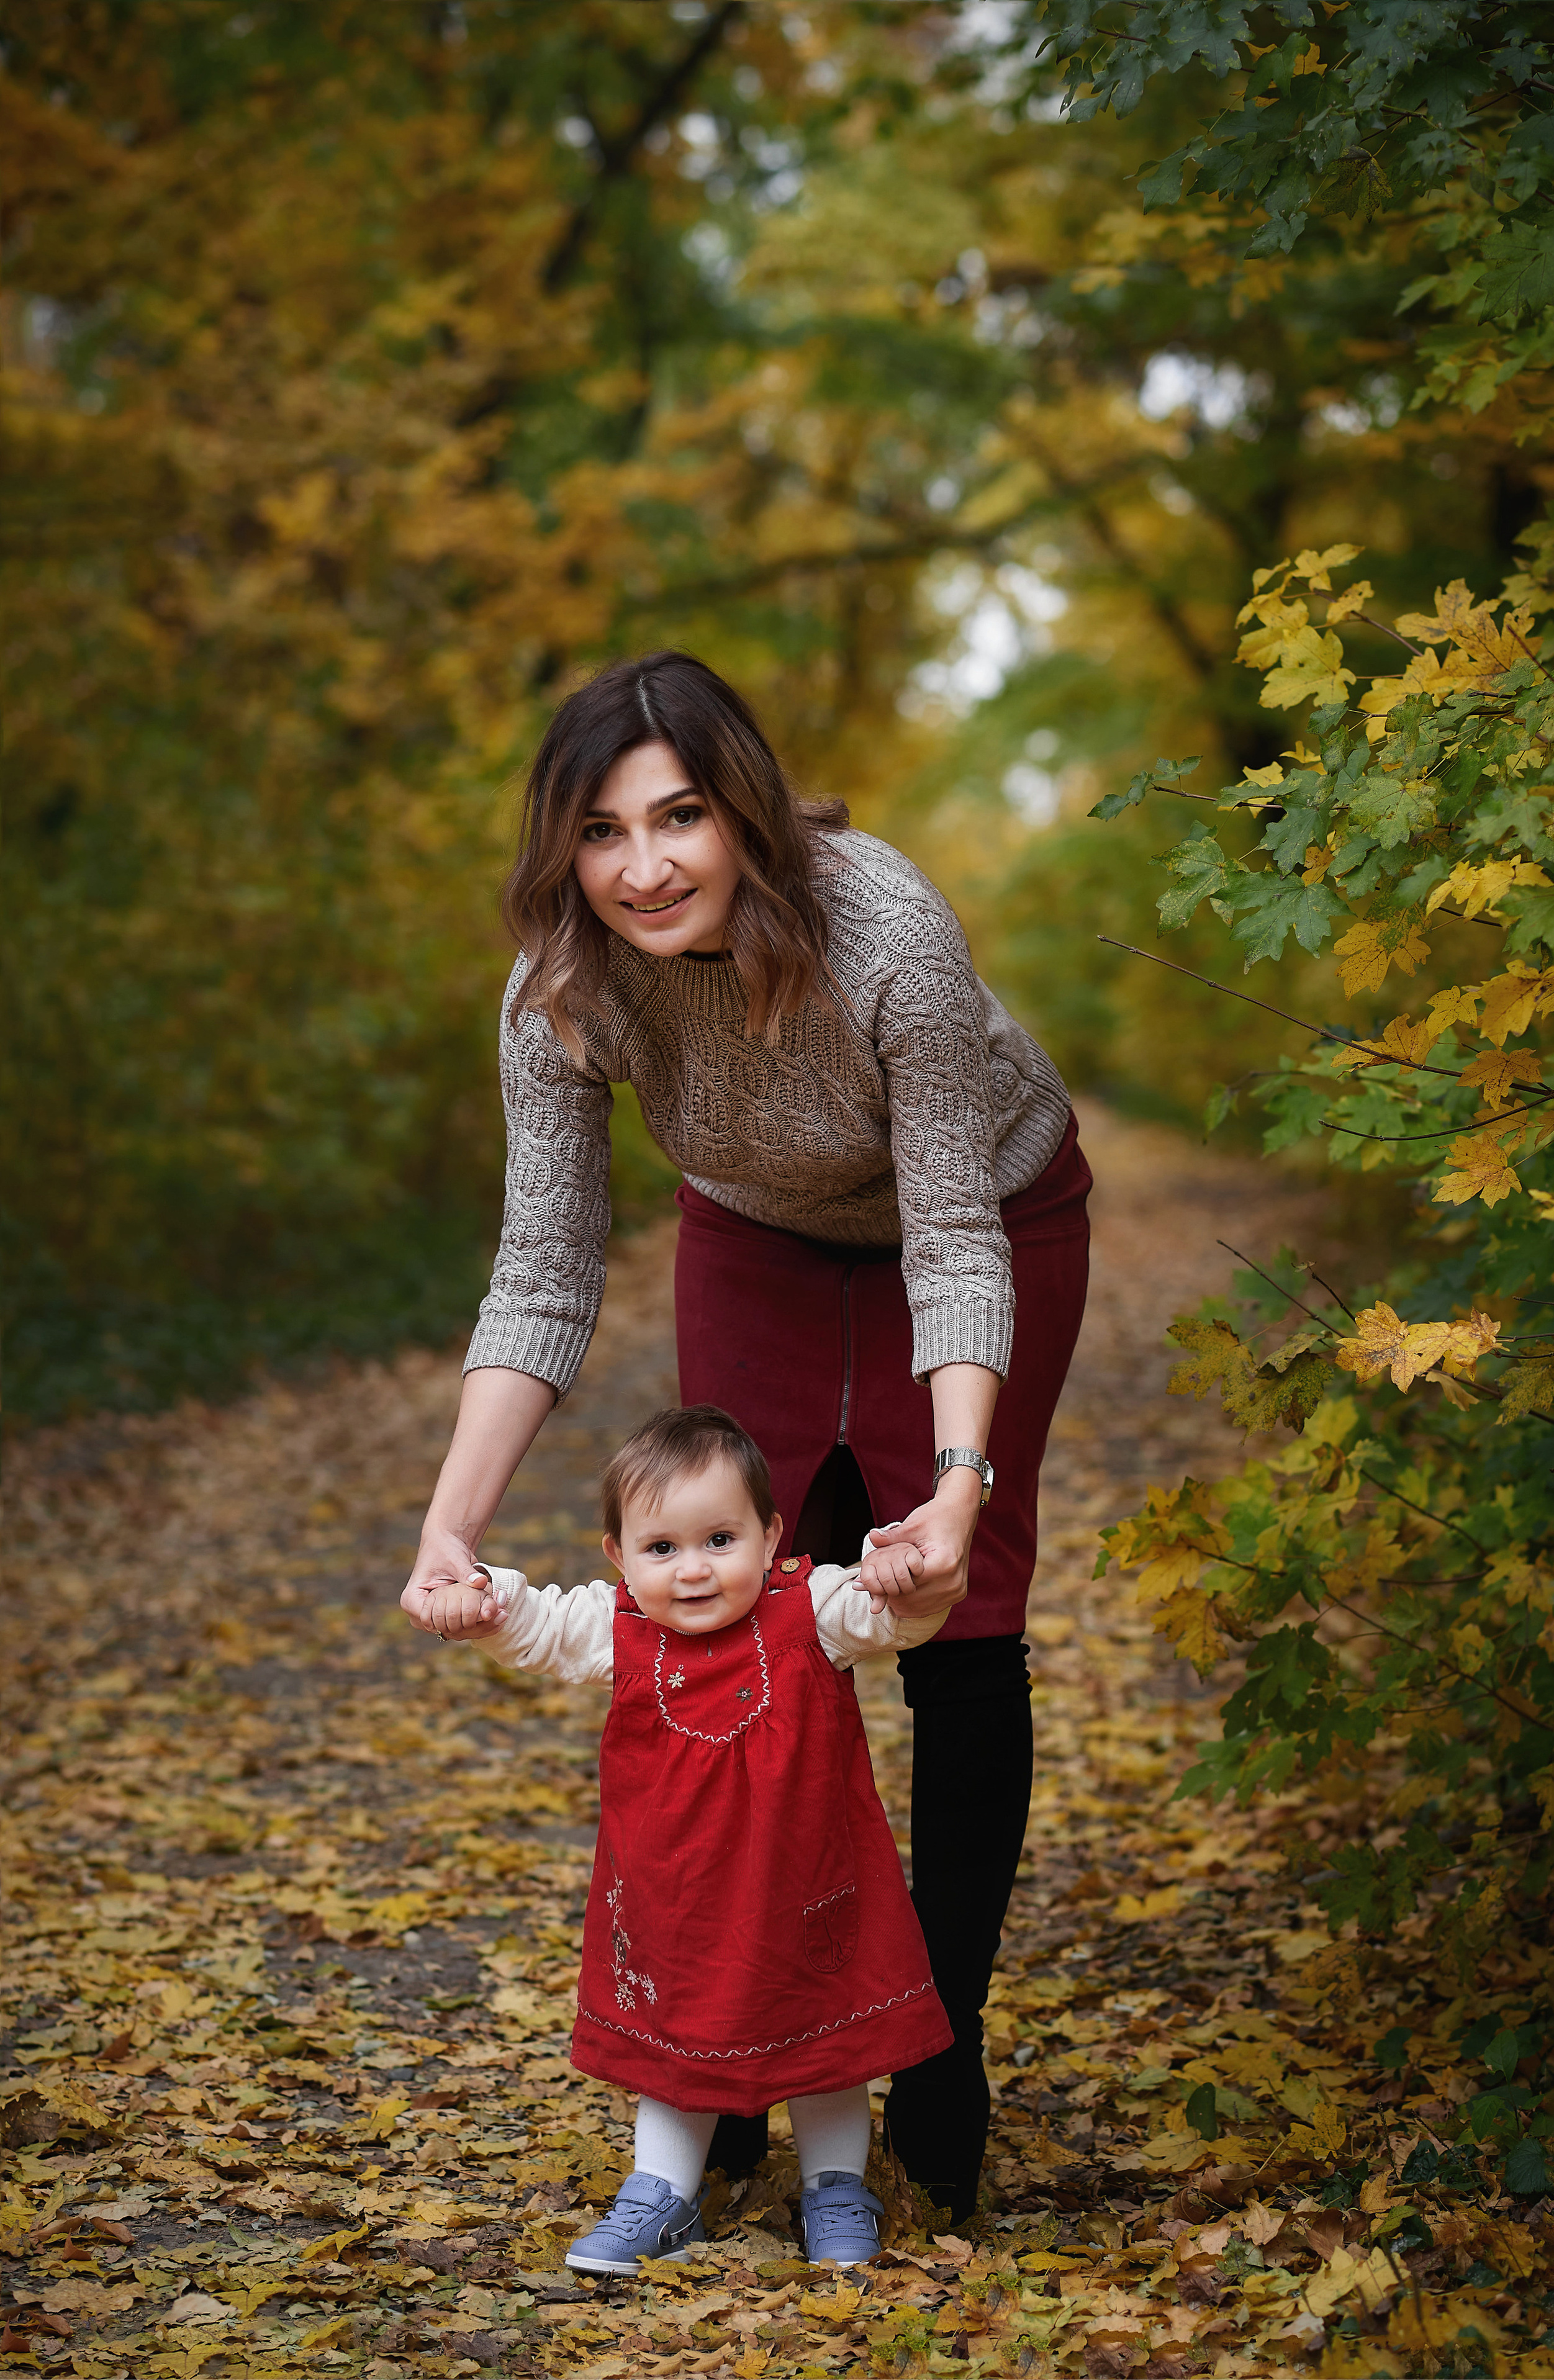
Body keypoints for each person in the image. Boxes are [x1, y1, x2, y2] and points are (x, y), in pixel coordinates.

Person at [402, 649, 1092, 2223]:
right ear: (559, 850)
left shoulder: (887, 935)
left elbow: (951, 1241)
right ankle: (722, 2055)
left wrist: (958, 1485)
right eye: (598, 831)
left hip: (991, 1207)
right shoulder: (565, 989)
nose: (641, 867)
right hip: (757, 1237)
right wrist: (452, 1524)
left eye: (680, 817)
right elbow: (543, 1268)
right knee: (724, 1622)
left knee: (950, 1613)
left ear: (749, 816)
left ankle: (937, 2034)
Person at [416, 1404, 952, 2273]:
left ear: (771, 1536)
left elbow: (889, 1619)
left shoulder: (809, 1609)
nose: (693, 1569)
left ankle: (836, 2183)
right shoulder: (619, 1627)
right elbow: (540, 1626)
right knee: (675, 2039)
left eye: (719, 1539)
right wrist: (486, 1596)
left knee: (830, 2030)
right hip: (678, 1899)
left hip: (806, 1882)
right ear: (620, 1557)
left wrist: (903, 1577)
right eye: (663, 1548)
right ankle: (660, 2191)